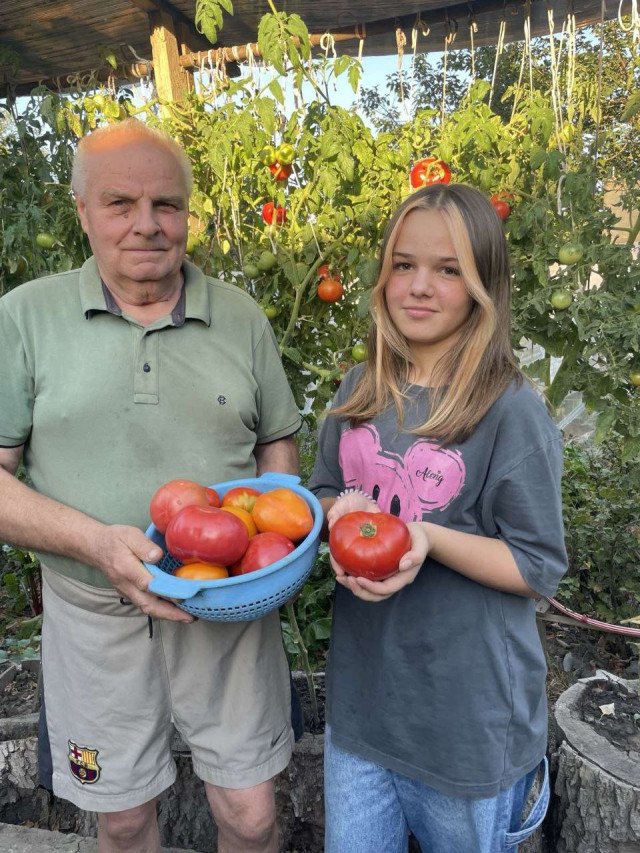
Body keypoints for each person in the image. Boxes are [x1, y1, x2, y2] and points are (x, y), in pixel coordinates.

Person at [0, 118, 303, 853]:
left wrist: (271, 545)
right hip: (92, 613)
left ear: (187, 212)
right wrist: (97, 543)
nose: (147, 225)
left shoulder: (241, 317)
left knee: (252, 815)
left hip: (224, 608)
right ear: (81, 210)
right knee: (125, 818)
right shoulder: (23, 319)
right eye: (120, 204)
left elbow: (277, 441)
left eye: (166, 204)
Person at [308, 183, 568, 853]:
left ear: (485, 283)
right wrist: (343, 516)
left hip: (466, 727)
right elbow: (326, 492)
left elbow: (536, 567)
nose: (419, 286)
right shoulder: (360, 389)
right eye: (404, 264)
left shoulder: (509, 411)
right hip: (365, 712)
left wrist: (425, 537)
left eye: (448, 269)